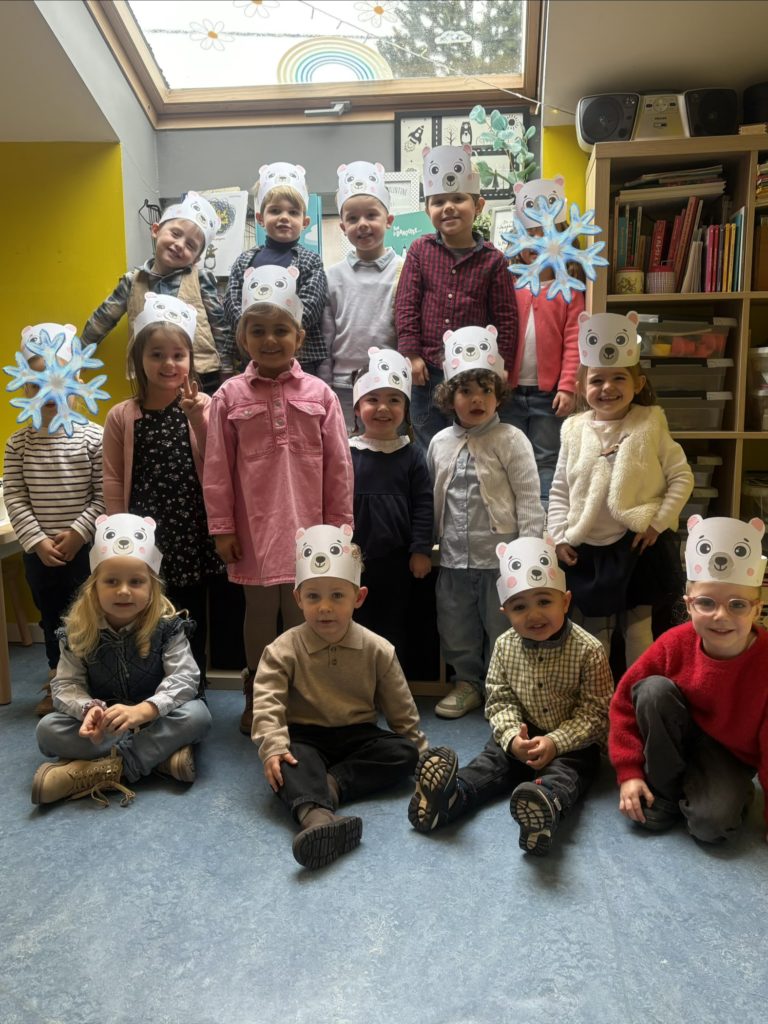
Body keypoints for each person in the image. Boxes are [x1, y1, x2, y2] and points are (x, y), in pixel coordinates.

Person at [204, 266, 353, 735]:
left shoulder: (321, 395)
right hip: (255, 529)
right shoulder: (228, 396)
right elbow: (216, 470)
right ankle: (260, 691)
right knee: (260, 612)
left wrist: (341, 528)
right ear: (242, 337)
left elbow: (339, 467)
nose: (270, 340)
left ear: (299, 336)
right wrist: (222, 528)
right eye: (258, 330)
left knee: (303, 611)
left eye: (281, 330)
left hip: (313, 529)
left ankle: (300, 690)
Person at [408, 535, 612, 855]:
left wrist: (556, 742)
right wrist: (513, 738)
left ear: (565, 601)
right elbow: (499, 700)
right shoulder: (504, 646)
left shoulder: (589, 650)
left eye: (544, 601)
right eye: (520, 607)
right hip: (522, 734)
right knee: (492, 762)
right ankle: (452, 794)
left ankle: (545, 805)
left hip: (571, 741)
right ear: (505, 612)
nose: (533, 615)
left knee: (570, 770)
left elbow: (596, 714)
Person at [252, 524, 428, 869]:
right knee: (285, 762)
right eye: (313, 597)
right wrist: (272, 745)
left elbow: (401, 708)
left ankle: (328, 788)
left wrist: (420, 754)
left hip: (358, 735)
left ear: (358, 598)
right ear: (298, 598)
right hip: (306, 735)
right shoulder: (281, 650)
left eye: (337, 596)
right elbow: (267, 703)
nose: (325, 608)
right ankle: (316, 818)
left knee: (403, 753)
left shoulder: (378, 649)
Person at [31, 513, 212, 807]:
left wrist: (145, 710)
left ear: (152, 588)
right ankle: (160, 758)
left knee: (198, 716)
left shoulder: (168, 628)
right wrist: (88, 709)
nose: (124, 590)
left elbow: (185, 678)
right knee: (47, 730)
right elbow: (65, 685)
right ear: (94, 588)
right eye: (111, 581)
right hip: (108, 725)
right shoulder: (77, 632)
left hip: (155, 718)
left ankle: (102, 769)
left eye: (136, 581)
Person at [609, 515, 768, 844]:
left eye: (737, 605)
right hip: (677, 735)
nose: (720, 616)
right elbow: (623, 701)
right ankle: (668, 792)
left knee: (712, 825)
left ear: (757, 609)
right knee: (652, 690)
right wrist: (629, 772)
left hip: (730, 755)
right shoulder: (674, 643)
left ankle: (713, 791)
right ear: (688, 605)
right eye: (706, 603)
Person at [548, 311, 694, 665]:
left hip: (636, 545)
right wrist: (559, 536)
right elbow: (560, 488)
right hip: (588, 548)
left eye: (618, 378)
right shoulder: (573, 430)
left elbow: (682, 477)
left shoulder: (650, 424)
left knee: (638, 630)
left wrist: (658, 522)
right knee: (593, 632)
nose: (607, 388)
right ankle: (598, 690)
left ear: (638, 384)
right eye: (597, 380)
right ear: (582, 386)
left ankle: (637, 688)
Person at [102, 293, 224, 688]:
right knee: (146, 611)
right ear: (139, 359)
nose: (168, 364)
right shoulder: (122, 415)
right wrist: (117, 532)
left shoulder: (204, 405)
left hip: (191, 530)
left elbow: (217, 459)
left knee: (191, 614)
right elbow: (114, 477)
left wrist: (197, 416)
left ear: (190, 359)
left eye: (177, 355)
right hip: (144, 534)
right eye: (156, 355)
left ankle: (193, 688)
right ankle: (149, 688)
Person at [428, 327, 544, 719]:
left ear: (498, 395)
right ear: (450, 398)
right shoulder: (439, 442)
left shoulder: (511, 439)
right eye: (465, 391)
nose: (476, 399)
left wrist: (529, 552)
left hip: (501, 559)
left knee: (502, 626)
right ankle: (467, 683)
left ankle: (503, 688)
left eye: (485, 390)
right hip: (453, 559)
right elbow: (433, 498)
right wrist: (427, 545)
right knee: (455, 624)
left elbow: (528, 497)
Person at [4, 323, 105, 715]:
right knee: (53, 619)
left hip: (86, 551)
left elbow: (103, 495)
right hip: (40, 553)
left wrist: (79, 533)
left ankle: (94, 680)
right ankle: (58, 680)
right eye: (36, 382)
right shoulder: (18, 443)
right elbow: (15, 495)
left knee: (91, 616)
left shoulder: (94, 437)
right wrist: (37, 540)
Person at [395, 144, 518, 450]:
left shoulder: (494, 260)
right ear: (428, 211)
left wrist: (503, 363)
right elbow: (406, 305)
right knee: (429, 443)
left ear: (478, 205)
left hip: (474, 372)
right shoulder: (420, 251)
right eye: (438, 202)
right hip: (428, 370)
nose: (448, 207)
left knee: (476, 441)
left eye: (458, 199)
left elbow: (506, 317)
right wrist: (411, 355)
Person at [81, 192, 233, 393]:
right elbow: (102, 319)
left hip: (201, 373)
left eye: (190, 245)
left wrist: (227, 369)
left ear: (196, 259)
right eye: (175, 234)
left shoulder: (200, 278)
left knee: (203, 413)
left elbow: (219, 325)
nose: (179, 245)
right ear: (156, 230)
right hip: (151, 374)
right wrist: (77, 354)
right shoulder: (132, 281)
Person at [349, 348, 433, 662]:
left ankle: (391, 681)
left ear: (406, 409)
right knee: (356, 623)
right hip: (353, 557)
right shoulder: (346, 452)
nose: (383, 408)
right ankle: (358, 681)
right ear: (357, 408)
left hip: (397, 559)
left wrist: (421, 549)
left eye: (394, 400)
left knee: (394, 623)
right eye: (373, 399)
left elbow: (424, 505)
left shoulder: (412, 455)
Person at [505, 176, 584, 504]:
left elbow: (574, 341)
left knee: (546, 459)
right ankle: (515, 520)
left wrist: (567, 387)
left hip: (548, 396)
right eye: (529, 235)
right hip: (509, 394)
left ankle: (545, 522)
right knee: (510, 460)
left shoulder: (569, 290)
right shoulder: (509, 287)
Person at [318, 161, 403, 430]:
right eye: (353, 218)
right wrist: (324, 383)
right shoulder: (332, 276)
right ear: (343, 227)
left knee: (390, 448)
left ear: (389, 221)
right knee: (346, 448)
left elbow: (407, 330)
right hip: (344, 384)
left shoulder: (404, 270)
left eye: (371, 215)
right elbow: (326, 335)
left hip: (390, 384)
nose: (362, 224)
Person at [224, 162, 328, 376]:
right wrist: (254, 332)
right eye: (275, 210)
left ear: (305, 221)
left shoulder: (311, 261)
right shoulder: (244, 261)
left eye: (293, 212)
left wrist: (281, 330)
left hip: (300, 358)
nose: (284, 217)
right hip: (253, 355)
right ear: (260, 218)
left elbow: (311, 307)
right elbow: (232, 303)